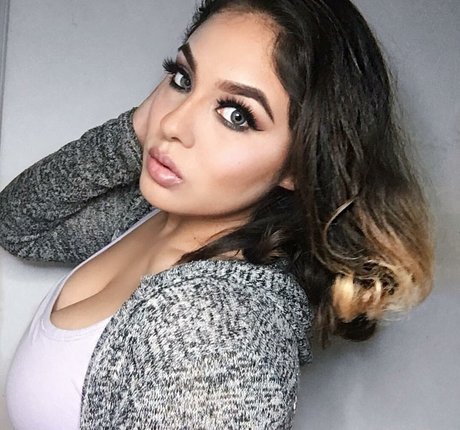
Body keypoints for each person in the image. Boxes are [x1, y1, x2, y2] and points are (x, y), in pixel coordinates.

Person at [0, 0, 434, 428]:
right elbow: (20, 225)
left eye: (236, 115)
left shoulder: (217, 338)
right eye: (182, 77)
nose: (173, 124)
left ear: (300, 165)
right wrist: (139, 129)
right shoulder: (157, 211)